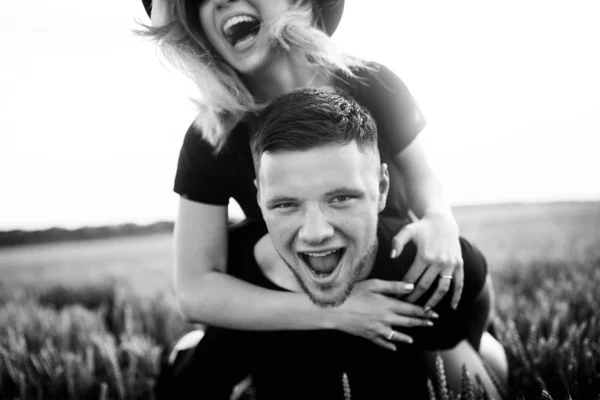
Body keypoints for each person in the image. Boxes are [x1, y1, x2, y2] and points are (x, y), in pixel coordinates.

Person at [138, 0, 489, 352]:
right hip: (299, 292)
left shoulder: (369, 82)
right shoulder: (211, 135)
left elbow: (422, 179)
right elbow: (195, 290)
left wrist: (440, 218)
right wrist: (341, 311)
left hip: (388, 274)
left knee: (483, 354)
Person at [154, 87, 508, 400]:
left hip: (409, 353)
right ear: (259, 197)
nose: (315, 232)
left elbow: (475, 292)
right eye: (286, 204)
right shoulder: (239, 278)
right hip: (266, 361)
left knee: (492, 372)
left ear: (382, 189)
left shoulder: (418, 270)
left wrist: (471, 349)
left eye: (340, 198)